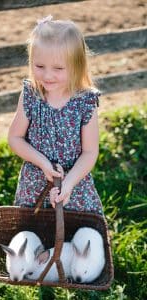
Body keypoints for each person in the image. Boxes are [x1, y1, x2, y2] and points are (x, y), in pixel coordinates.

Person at [8, 15, 103, 215]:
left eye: (58, 68)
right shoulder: (31, 94)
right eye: (39, 66)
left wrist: (67, 184)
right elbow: (15, 138)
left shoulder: (85, 101)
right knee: (33, 230)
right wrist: (43, 163)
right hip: (35, 179)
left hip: (74, 181)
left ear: (76, 67)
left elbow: (89, 152)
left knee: (80, 232)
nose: (47, 75)